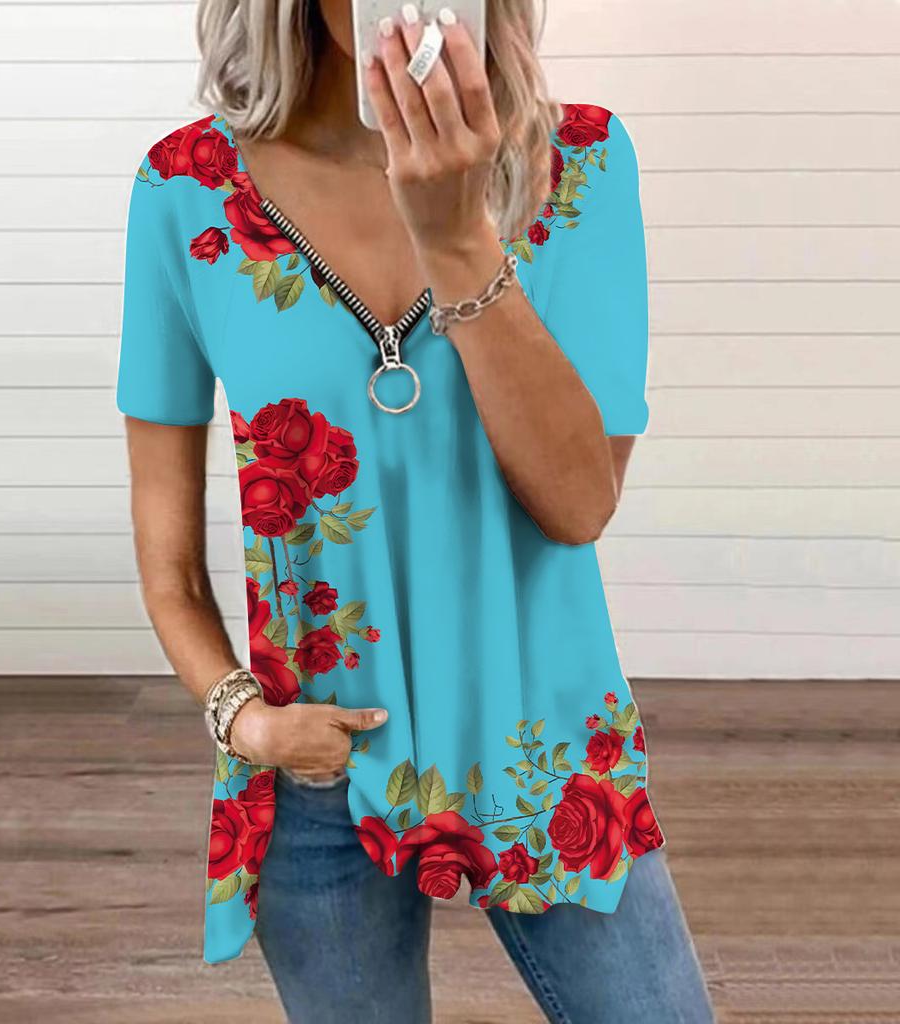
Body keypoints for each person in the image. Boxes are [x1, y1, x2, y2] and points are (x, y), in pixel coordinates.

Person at [116, 1, 715, 1020]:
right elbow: (168, 566)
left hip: (549, 752)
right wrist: (246, 721)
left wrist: (457, 238)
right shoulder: (186, 190)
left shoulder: (582, 164)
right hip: (323, 772)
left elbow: (578, 505)